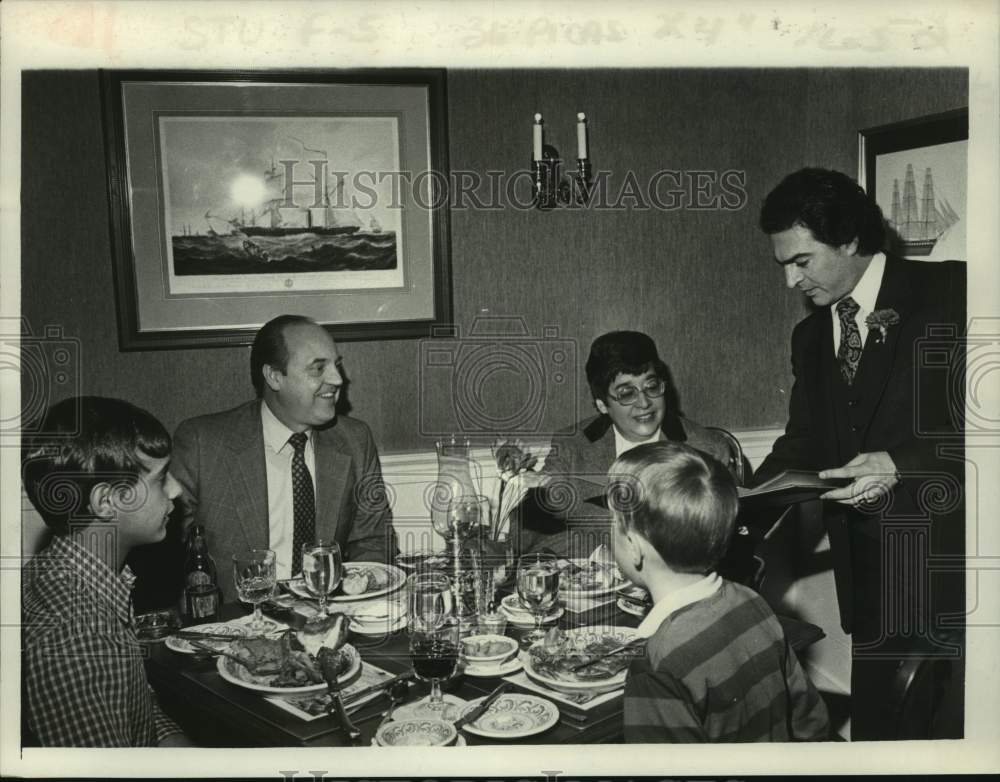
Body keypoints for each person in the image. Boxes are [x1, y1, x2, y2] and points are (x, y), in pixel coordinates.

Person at [755, 167, 966, 740]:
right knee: (880, 732)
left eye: (802, 261)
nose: (792, 281)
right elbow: (801, 443)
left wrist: (901, 464)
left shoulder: (955, 292)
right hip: (867, 576)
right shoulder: (810, 337)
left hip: (956, 573)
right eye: (784, 266)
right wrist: (736, 501)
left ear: (849, 239)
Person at [608, 441, 829, 742]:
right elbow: (809, 721)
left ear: (633, 546)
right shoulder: (752, 600)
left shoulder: (656, 666)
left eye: (613, 523)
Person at [171, 315, 398, 602]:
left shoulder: (354, 440)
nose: (338, 379)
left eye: (336, 365)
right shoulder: (203, 444)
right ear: (274, 376)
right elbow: (169, 559)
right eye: (318, 369)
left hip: (326, 616)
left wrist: (361, 593)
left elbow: (372, 541)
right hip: (234, 625)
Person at [21, 396, 192, 747]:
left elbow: (132, 709)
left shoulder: (74, 578)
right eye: (160, 479)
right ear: (106, 501)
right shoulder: (77, 632)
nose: (175, 489)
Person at [522, 330, 736, 558]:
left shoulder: (708, 449)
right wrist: (606, 553)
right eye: (626, 393)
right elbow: (531, 536)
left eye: (651, 387)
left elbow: (729, 542)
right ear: (603, 404)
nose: (644, 402)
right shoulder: (573, 446)